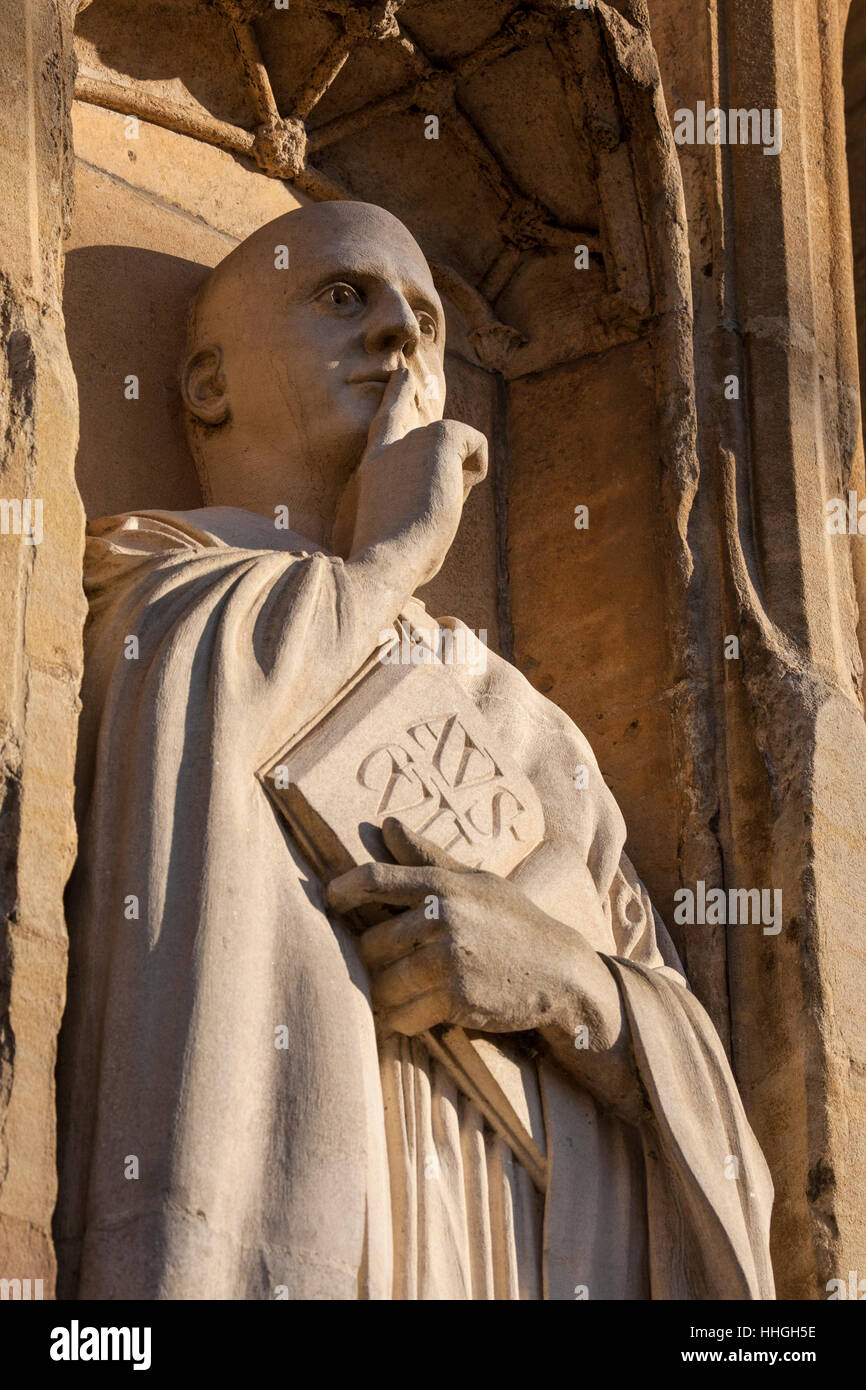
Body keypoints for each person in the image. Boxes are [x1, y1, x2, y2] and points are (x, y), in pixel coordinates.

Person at [55, 201, 774, 1300]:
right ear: (208, 385)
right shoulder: (162, 599)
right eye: (343, 295)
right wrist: (392, 552)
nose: (399, 332)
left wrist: (568, 988)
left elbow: (703, 1102)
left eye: (426, 317)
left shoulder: (521, 718)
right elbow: (206, 713)